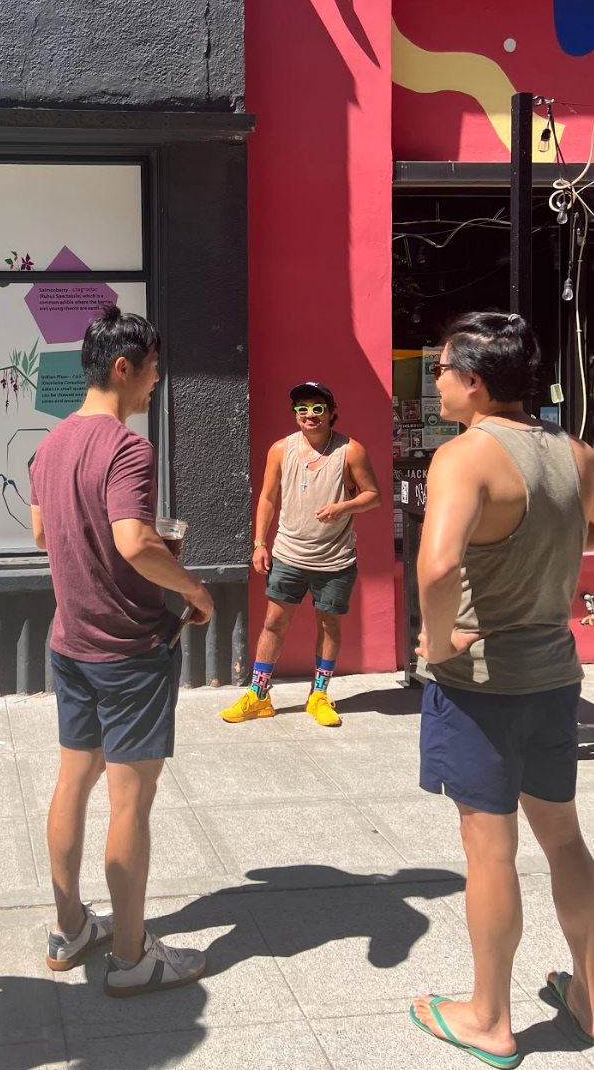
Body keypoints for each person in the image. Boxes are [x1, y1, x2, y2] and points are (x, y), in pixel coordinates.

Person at [411, 311, 594, 1069]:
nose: (437, 382)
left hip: (482, 686)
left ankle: (488, 1019)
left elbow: (436, 565)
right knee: (564, 839)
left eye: (442, 370)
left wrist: (436, 639)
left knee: (490, 850)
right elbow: (582, 540)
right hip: (554, 675)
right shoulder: (576, 453)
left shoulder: (464, 456)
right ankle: (589, 996)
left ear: (475, 381)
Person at [29, 304, 214, 997]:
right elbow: (133, 541)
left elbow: (43, 534)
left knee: (72, 782)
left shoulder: (49, 445)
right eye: (154, 370)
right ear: (122, 367)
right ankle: (133, 957)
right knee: (130, 803)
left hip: (70, 642)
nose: (156, 382)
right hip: (129, 650)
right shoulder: (127, 448)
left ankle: (70, 926)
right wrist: (195, 590)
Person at [221, 382, 380, 727]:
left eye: (318, 408)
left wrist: (343, 507)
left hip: (335, 559)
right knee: (273, 623)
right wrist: (259, 543)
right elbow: (267, 497)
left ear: (331, 412)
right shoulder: (281, 449)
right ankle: (258, 695)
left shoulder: (351, 451)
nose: (310, 415)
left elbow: (373, 495)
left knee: (329, 625)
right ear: (295, 414)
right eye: (302, 409)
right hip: (288, 554)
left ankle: (319, 695)